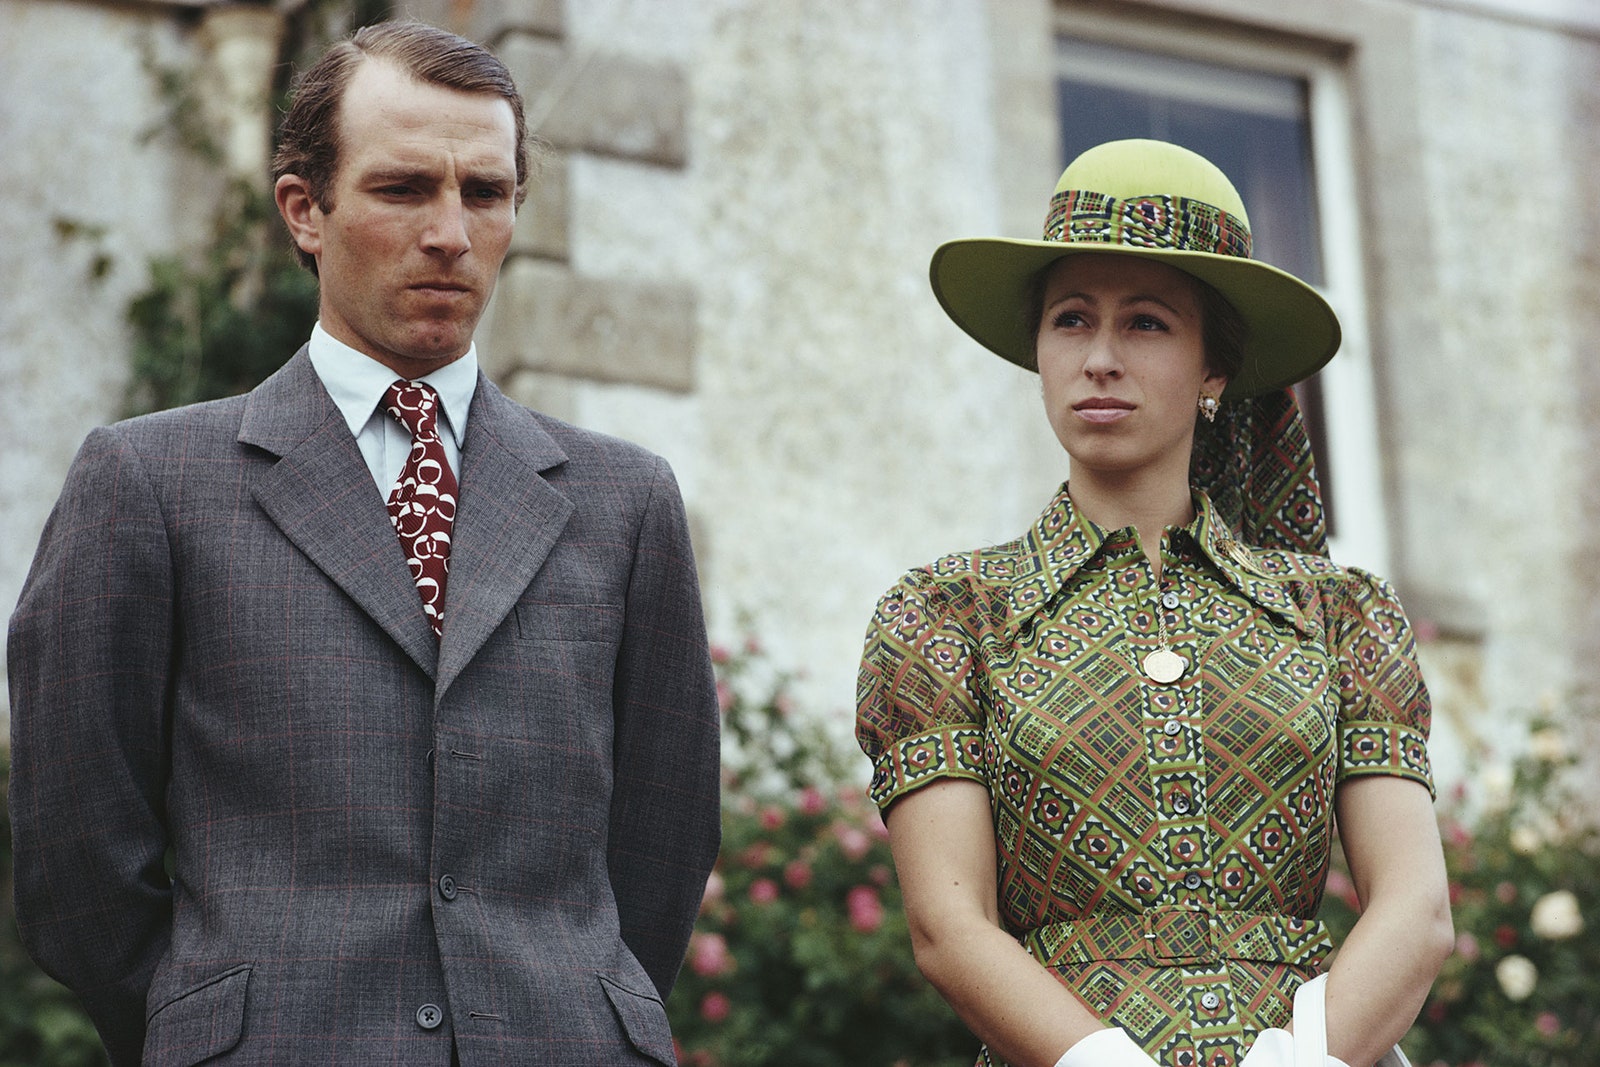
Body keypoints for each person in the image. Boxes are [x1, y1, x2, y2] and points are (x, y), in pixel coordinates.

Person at [7, 20, 719, 1067]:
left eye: (484, 192)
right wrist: (205, 1023)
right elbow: (77, 852)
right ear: (306, 209)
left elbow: (664, 835)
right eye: (402, 189)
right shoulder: (150, 482)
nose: (449, 231)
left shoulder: (626, 501)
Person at [856, 139, 1453, 1067]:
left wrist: (1295, 1062)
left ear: (1215, 369)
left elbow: (1415, 912)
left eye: (1145, 324)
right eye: (1069, 321)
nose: (1097, 358)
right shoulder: (947, 617)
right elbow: (949, 926)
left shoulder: (1338, 614)